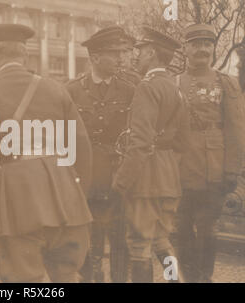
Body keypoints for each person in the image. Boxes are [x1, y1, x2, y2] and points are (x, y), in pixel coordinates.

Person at [0, 23, 93, 282]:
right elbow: (81, 150)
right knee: (67, 278)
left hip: (16, 203)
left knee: (23, 281)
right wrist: (76, 196)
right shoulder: (56, 89)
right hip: (66, 202)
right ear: (25, 55)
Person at [111, 27, 191, 282]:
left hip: (146, 179)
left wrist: (121, 181)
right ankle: (176, 281)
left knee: (139, 245)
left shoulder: (147, 87)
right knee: (160, 239)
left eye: (142, 51)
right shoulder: (175, 88)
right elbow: (183, 141)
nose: (137, 56)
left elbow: (141, 143)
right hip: (168, 178)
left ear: (153, 53)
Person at [67, 26, 138, 283]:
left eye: (124, 52)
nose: (122, 58)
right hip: (85, 180)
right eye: (114, 53)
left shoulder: (131, 90)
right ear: (95, 57)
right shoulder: (72, 91)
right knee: (87, 242)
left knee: (121, 243)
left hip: (118, 179)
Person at [175, 24, 245, 283]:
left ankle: (204, 278)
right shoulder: (173, 83)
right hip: (180, 170)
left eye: (207, 44)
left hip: (212, 171)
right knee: (179, 229)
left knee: (207, 230)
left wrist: (231, 170)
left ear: (213, 48)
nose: (202, 49)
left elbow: (236, 131)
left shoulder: (225, 83)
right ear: (185, 49)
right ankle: (188, 278)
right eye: (196, 44)